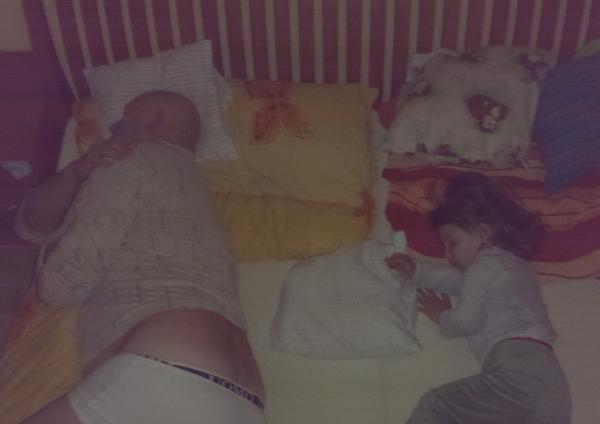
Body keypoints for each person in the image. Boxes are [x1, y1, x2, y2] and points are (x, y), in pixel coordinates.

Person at [17, 90, 266, 424]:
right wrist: (77, 172)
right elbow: (31, 226)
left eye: (122, 118)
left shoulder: (131, 156)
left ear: (150, 120)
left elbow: (62, 285)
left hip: (166, 361)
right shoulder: (194, 186)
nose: (113, 127)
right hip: (246, 395)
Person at [385, 172, 571, 424]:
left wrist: (441, 314)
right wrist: (417, 273)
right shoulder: (509, 266)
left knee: (437, 406)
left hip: (518, 371)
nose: (448, 255)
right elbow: (458, 281)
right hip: (551, 387)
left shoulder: (486, 265)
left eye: (452, 244)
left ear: (485, 233)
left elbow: (464, 322)